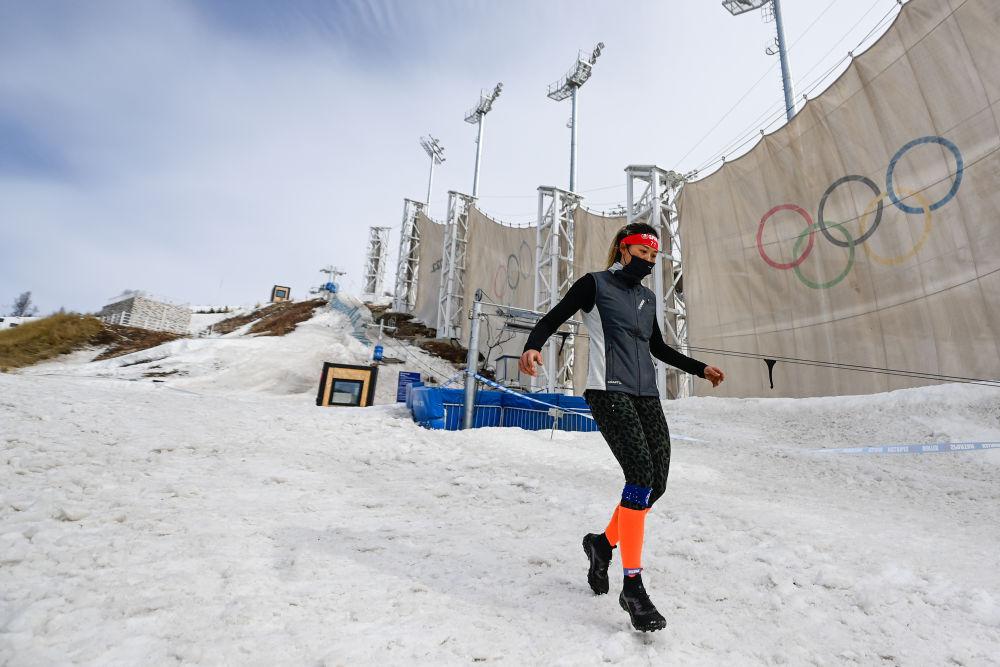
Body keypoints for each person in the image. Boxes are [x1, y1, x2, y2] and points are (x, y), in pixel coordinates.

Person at [519, 222, 725, 632]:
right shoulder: (593, 284)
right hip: (607, 389)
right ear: (623, 249)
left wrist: (700, 368)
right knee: (639, 475)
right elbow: (554, 316)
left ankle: (601, 544)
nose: (649, 262)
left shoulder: (648, 298)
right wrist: (532, 346)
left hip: (646, 394)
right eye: (643, 253)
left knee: (656, 483)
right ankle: (633, 585)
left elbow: (658, 348)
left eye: (654, 257)